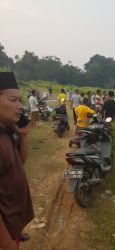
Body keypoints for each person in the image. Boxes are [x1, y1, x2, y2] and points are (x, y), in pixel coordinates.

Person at [0, 72, 34, 250]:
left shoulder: (6, 131)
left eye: (20, 100)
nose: (20, 106)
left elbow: (19, 163)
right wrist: (5, 243)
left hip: (12, 225)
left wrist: (24, 136)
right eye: (13, 100)